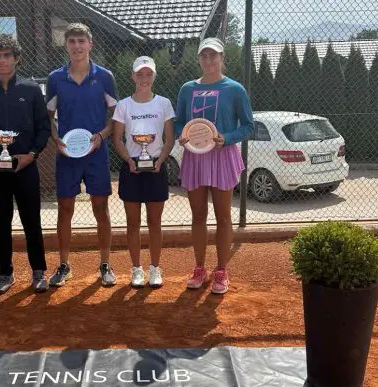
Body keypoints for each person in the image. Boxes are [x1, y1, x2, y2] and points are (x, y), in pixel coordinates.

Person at [0, 35, 51, 295]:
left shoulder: (31, 90)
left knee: (32, 221)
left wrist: (32, 154)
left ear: (17, 58)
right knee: (0, 222)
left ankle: (38, 271)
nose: (2, 60)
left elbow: (43, 128)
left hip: (26, 167)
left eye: (7, 55)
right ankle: (5, 273)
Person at [175, 37, 254, 294]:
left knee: (223, 216)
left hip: (222, 156)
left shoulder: (235, 89)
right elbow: (179, 122)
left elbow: (248, 125)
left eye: (213, 55)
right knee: (198, 216)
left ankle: (221, 270)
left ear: (222, 58)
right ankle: (199, 268)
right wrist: (181, 136)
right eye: (204, 55)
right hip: (195, 157)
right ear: (199, 59)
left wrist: (227, 138)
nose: (209, 60)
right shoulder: (187, 89)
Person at [45, 23, 118, 288]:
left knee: (101, 208)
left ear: (90, 44)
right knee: (65, 209)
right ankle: (64, 265)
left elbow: (116, 116)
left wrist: (101, 136)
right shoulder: (55, 78)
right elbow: (48, 116)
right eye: (72, 41)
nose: (77, 46)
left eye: (81, 41)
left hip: (97, 154)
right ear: (66, 45)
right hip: (67, 154)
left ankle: (105, 264)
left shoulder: (105, 77)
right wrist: (56, 138)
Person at [111, 56, 175, 288]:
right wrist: (129, 160)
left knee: (155, 222)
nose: (144, 78)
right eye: (140, 74)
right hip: (132, 168)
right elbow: (117, 139)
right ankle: (137, 269)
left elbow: (170, 138)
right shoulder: (123, 105)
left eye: (148, 74)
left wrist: (161, 160)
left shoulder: (164, 104)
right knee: (133, 222)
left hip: (156, 166)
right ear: (133, 76)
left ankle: (155, 268)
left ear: (154, 76)